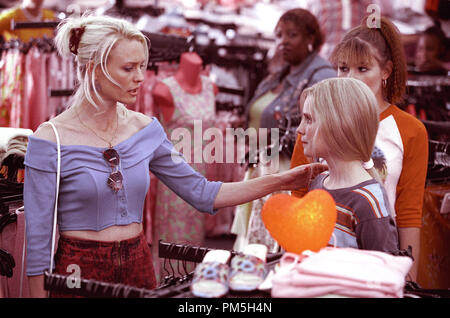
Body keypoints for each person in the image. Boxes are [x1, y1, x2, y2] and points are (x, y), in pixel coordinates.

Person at [23, 14, 327, 298]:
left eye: (142, 66)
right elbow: (37, 241)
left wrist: (283, 180)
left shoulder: (146, 130)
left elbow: (203, 193)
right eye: (128, 68)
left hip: (138, 267)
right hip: (79, 272)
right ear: (94, 69)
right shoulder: (51, 139)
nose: (141, 77)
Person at [290, 16, 428, 280]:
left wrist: (408, 279)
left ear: (386, 71)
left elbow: (409, 212)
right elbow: (298, 192)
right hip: (317, 259)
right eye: (343, 68)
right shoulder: (315, 119)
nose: (350, 77)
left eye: (362, 69)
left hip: (377, 258)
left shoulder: (410, 131)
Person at [231, 8, 336, 253]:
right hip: (264, 170)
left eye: (292, 34)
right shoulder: (279, 75)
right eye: (279, 35)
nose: (283, 42)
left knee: (274, 247)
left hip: (288, 173)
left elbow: (321, 129)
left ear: (311, 38)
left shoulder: (321, 76)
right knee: (254, 248)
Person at [297, 77, 399, 252]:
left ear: (339, 125)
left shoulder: (367, 202)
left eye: (309, 119)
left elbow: (383, 273)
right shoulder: (318, 182)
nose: (300, 129)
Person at [150, 51, 218, 282]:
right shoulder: (164, 89)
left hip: (203, 170)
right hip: (174, 174)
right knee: (174, 235)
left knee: (195, 234)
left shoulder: (211, 87)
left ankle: (192, 282)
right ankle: (169, 282)